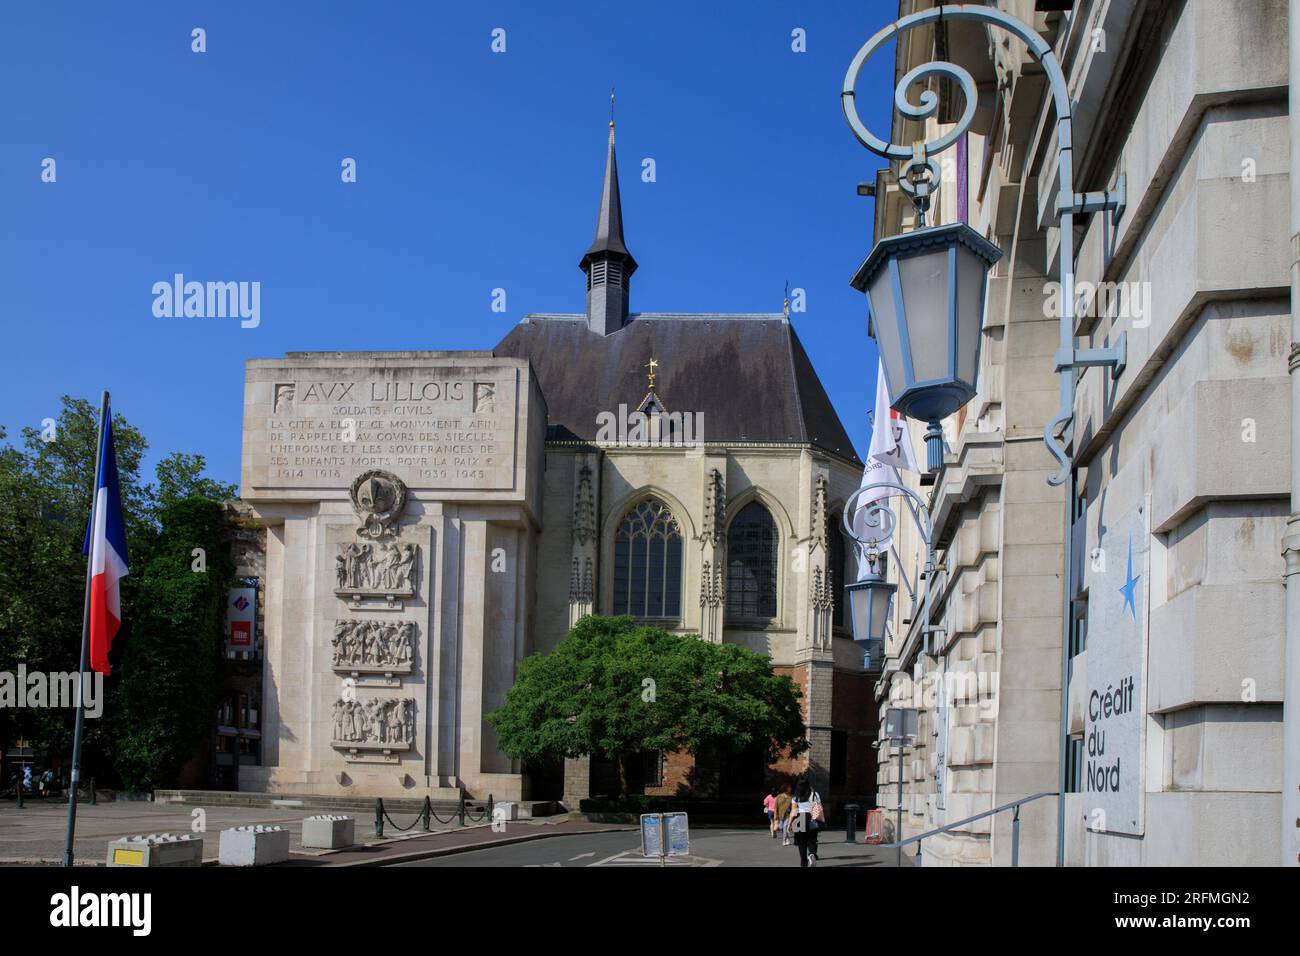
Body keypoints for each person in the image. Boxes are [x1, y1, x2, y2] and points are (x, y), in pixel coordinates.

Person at [789, 779, 821, 867]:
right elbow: (818, 807)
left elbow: (794, 811)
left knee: (801, 843)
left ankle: (803, 863)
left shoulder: (796, 796)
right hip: (812, 818)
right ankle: (812, 854)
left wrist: (789, 824)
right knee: (812, 840)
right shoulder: (815, 794)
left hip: (799, 818)